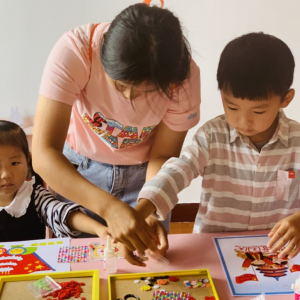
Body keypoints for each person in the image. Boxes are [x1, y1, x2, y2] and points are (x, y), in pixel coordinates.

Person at [32, 2, 200, 253]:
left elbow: (163, 156)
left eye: (147, 91)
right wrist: (110, 208)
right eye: (120, 85)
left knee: (149, 266)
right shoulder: (77, 50)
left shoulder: (184, 79)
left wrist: (149, 209)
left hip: (145, 179)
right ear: (103, 55)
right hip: (79, 173)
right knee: (81, 266)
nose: (130, 96)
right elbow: (44, 154)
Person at [136, 32, 300, 263]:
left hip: (277, 253)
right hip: (214, 249)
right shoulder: (212, 136)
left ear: (286, 99)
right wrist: (143, 209)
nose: (244, 122)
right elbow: (179, 170)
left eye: (258, 111)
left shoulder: (297, 141)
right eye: (231, 107)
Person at [0, 120, 110, 242]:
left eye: (14, 163)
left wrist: (99, 229)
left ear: (28, 160)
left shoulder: (34, 195)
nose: (6, 174)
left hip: (34, 261)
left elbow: (62, 213)